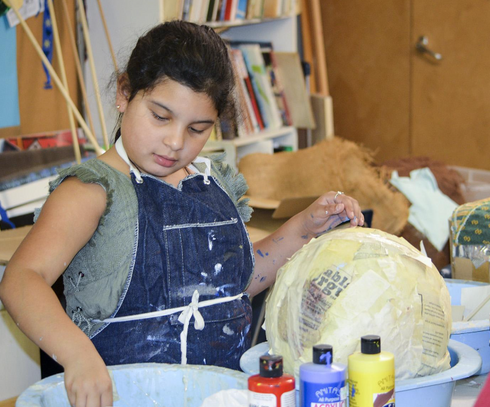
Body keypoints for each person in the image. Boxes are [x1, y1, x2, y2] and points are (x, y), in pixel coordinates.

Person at [0, 20, 363, 407]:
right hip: (126, 397)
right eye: (160, 116)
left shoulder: (213, 184)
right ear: (124, 93)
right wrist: (77, 356)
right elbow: (22, 279)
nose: (175, 142)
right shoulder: (93, 190)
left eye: (197, 128)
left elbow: (232, 285)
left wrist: (304, 228)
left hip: (219, 395)